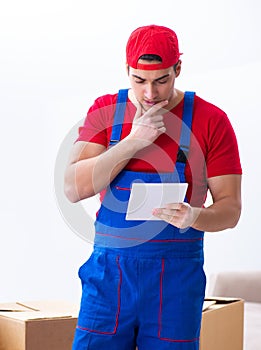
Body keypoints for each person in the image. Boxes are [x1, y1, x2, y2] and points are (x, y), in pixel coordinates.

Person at [64, 24, 242, 350]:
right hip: (108, 278)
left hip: (176, 282)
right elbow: (73, 189)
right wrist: (133, 141)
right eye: (139, 81)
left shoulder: (211, 120)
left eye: (161, 80)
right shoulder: (106, 112)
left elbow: (230, 210)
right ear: (127, 70)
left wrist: (195, 217)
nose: (150, 93)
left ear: (178, 69)